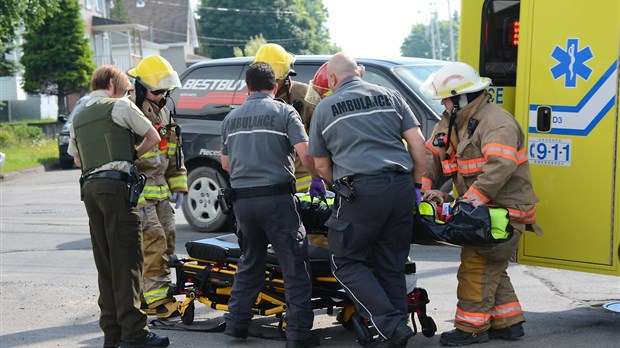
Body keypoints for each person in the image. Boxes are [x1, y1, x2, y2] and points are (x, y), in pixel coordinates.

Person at [308, 52, 426, 347]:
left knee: (346, 261)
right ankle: (395, 330)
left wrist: (341, 185)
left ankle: (390, 325)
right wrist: (415, 185)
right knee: (391, 263)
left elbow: (321, 166)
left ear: (332, 79)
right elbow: (418, 143)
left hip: (360, 190)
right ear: (358, 72)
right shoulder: (390, 95)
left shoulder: (326, 108)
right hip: (400, 187)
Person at [419, 62, 542, 346]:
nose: (443, 104)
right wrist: (423, 192)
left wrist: (475, 198)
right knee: (491, 267)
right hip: (483, 211)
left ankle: (471, 328)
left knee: (476, 268)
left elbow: (500, 164)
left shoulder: (497, 122)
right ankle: (508, 323)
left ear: (461, 99)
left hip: (504, 212)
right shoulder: (452, 121)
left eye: (446, 99)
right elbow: (431, 159)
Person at [220, 62, 322, 348]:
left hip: (243, 202)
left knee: (250, 261)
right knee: (293, 264)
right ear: (275, 87)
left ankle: (237, 325)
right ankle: (299, 334)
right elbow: (305, 152)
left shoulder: (231, 118)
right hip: (277, 200)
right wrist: (317, 178)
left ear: (247, 88)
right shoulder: (285, 111)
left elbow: (226, 164)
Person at [67, 65, 169, 348]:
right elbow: (154, 137)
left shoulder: (79, 116)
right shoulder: (120, 106)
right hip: (116, 187)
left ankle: (111, 334)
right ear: (112, 83)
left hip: (90, 189)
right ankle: (135, 333)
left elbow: (77, 159)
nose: (126, 94)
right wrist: (130, 154)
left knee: (106, 263)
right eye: (124, 89)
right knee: (128, 260)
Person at [127, 55, 188, 319]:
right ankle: (155, 300)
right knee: (153, 241)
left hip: (161, 189)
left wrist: (179, 185)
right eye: (157, 91)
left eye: (165, 91)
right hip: (140, 191)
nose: (162, 96)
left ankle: (151, 291)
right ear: (141, 87)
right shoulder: (129, 110)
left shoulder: (163, 110)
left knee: (169, 241)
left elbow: (174, 152)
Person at [253, 43, 325, 198]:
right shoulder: (254, 101)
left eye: (274, 79)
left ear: (287, 76)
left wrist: (319, 177)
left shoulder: (305, 95)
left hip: (304, 183)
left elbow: (322, 138)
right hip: (271, 185)